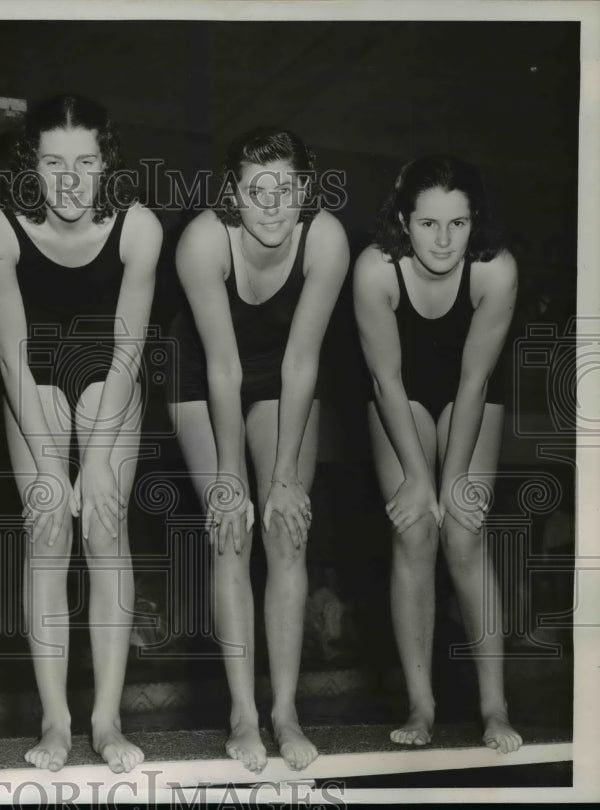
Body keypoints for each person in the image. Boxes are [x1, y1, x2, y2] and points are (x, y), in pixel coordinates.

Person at [0, 95, 162, 773]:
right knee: (48, 528)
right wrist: (55, 470)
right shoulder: (0, 231)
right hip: (34, 376)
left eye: (85, 163)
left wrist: (95, 461)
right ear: (32, 165)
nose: (70, 181)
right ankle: (55, 720)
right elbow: (8, 354)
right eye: (54, 164)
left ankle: (107, 720)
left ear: (106, 162)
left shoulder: (138, 228)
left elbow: (127, 348)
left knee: (105, 529)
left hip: (109, 377)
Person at [167, 126, 349, 772]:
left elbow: (303, 361)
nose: (273, 204)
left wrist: (286, 479)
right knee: (231, 528)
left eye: (288, 187)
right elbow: (222, 368)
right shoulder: (201, 242)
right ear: (233, 195)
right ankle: (244, 712)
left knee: (286, 528)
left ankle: (285, 710)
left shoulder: (325, 239)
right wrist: (228, 476)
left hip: (282, 373)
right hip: (201, 371)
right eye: (256, 190)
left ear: (307, 188)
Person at [353, 155, 521, 753]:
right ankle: (420, 705)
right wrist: (422, 484)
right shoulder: (375, 270)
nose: (445, 240)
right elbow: (386, 381)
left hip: (470, 391)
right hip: (399, 391)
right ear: (404, 221)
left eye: (458, 223)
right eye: (428, 225)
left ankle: (494, 707)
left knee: (465, 533)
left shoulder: (496, 270)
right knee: (414, 530)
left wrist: (451, 485)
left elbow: (475, 382)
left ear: (475, 221)